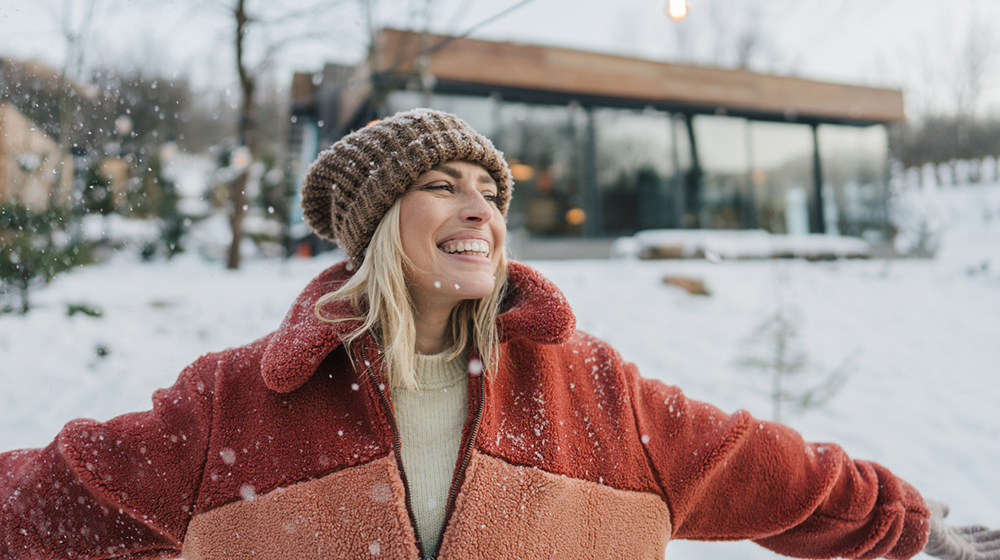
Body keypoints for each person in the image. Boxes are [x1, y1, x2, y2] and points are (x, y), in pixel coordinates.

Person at [1, 109, 997, 560]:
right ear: (374, 227)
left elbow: (767, 467)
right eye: (440, 186)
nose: (478, 207)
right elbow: (49, 495)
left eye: (490, 191)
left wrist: (912, 522)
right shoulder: (232, 405)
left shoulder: (592, 391)